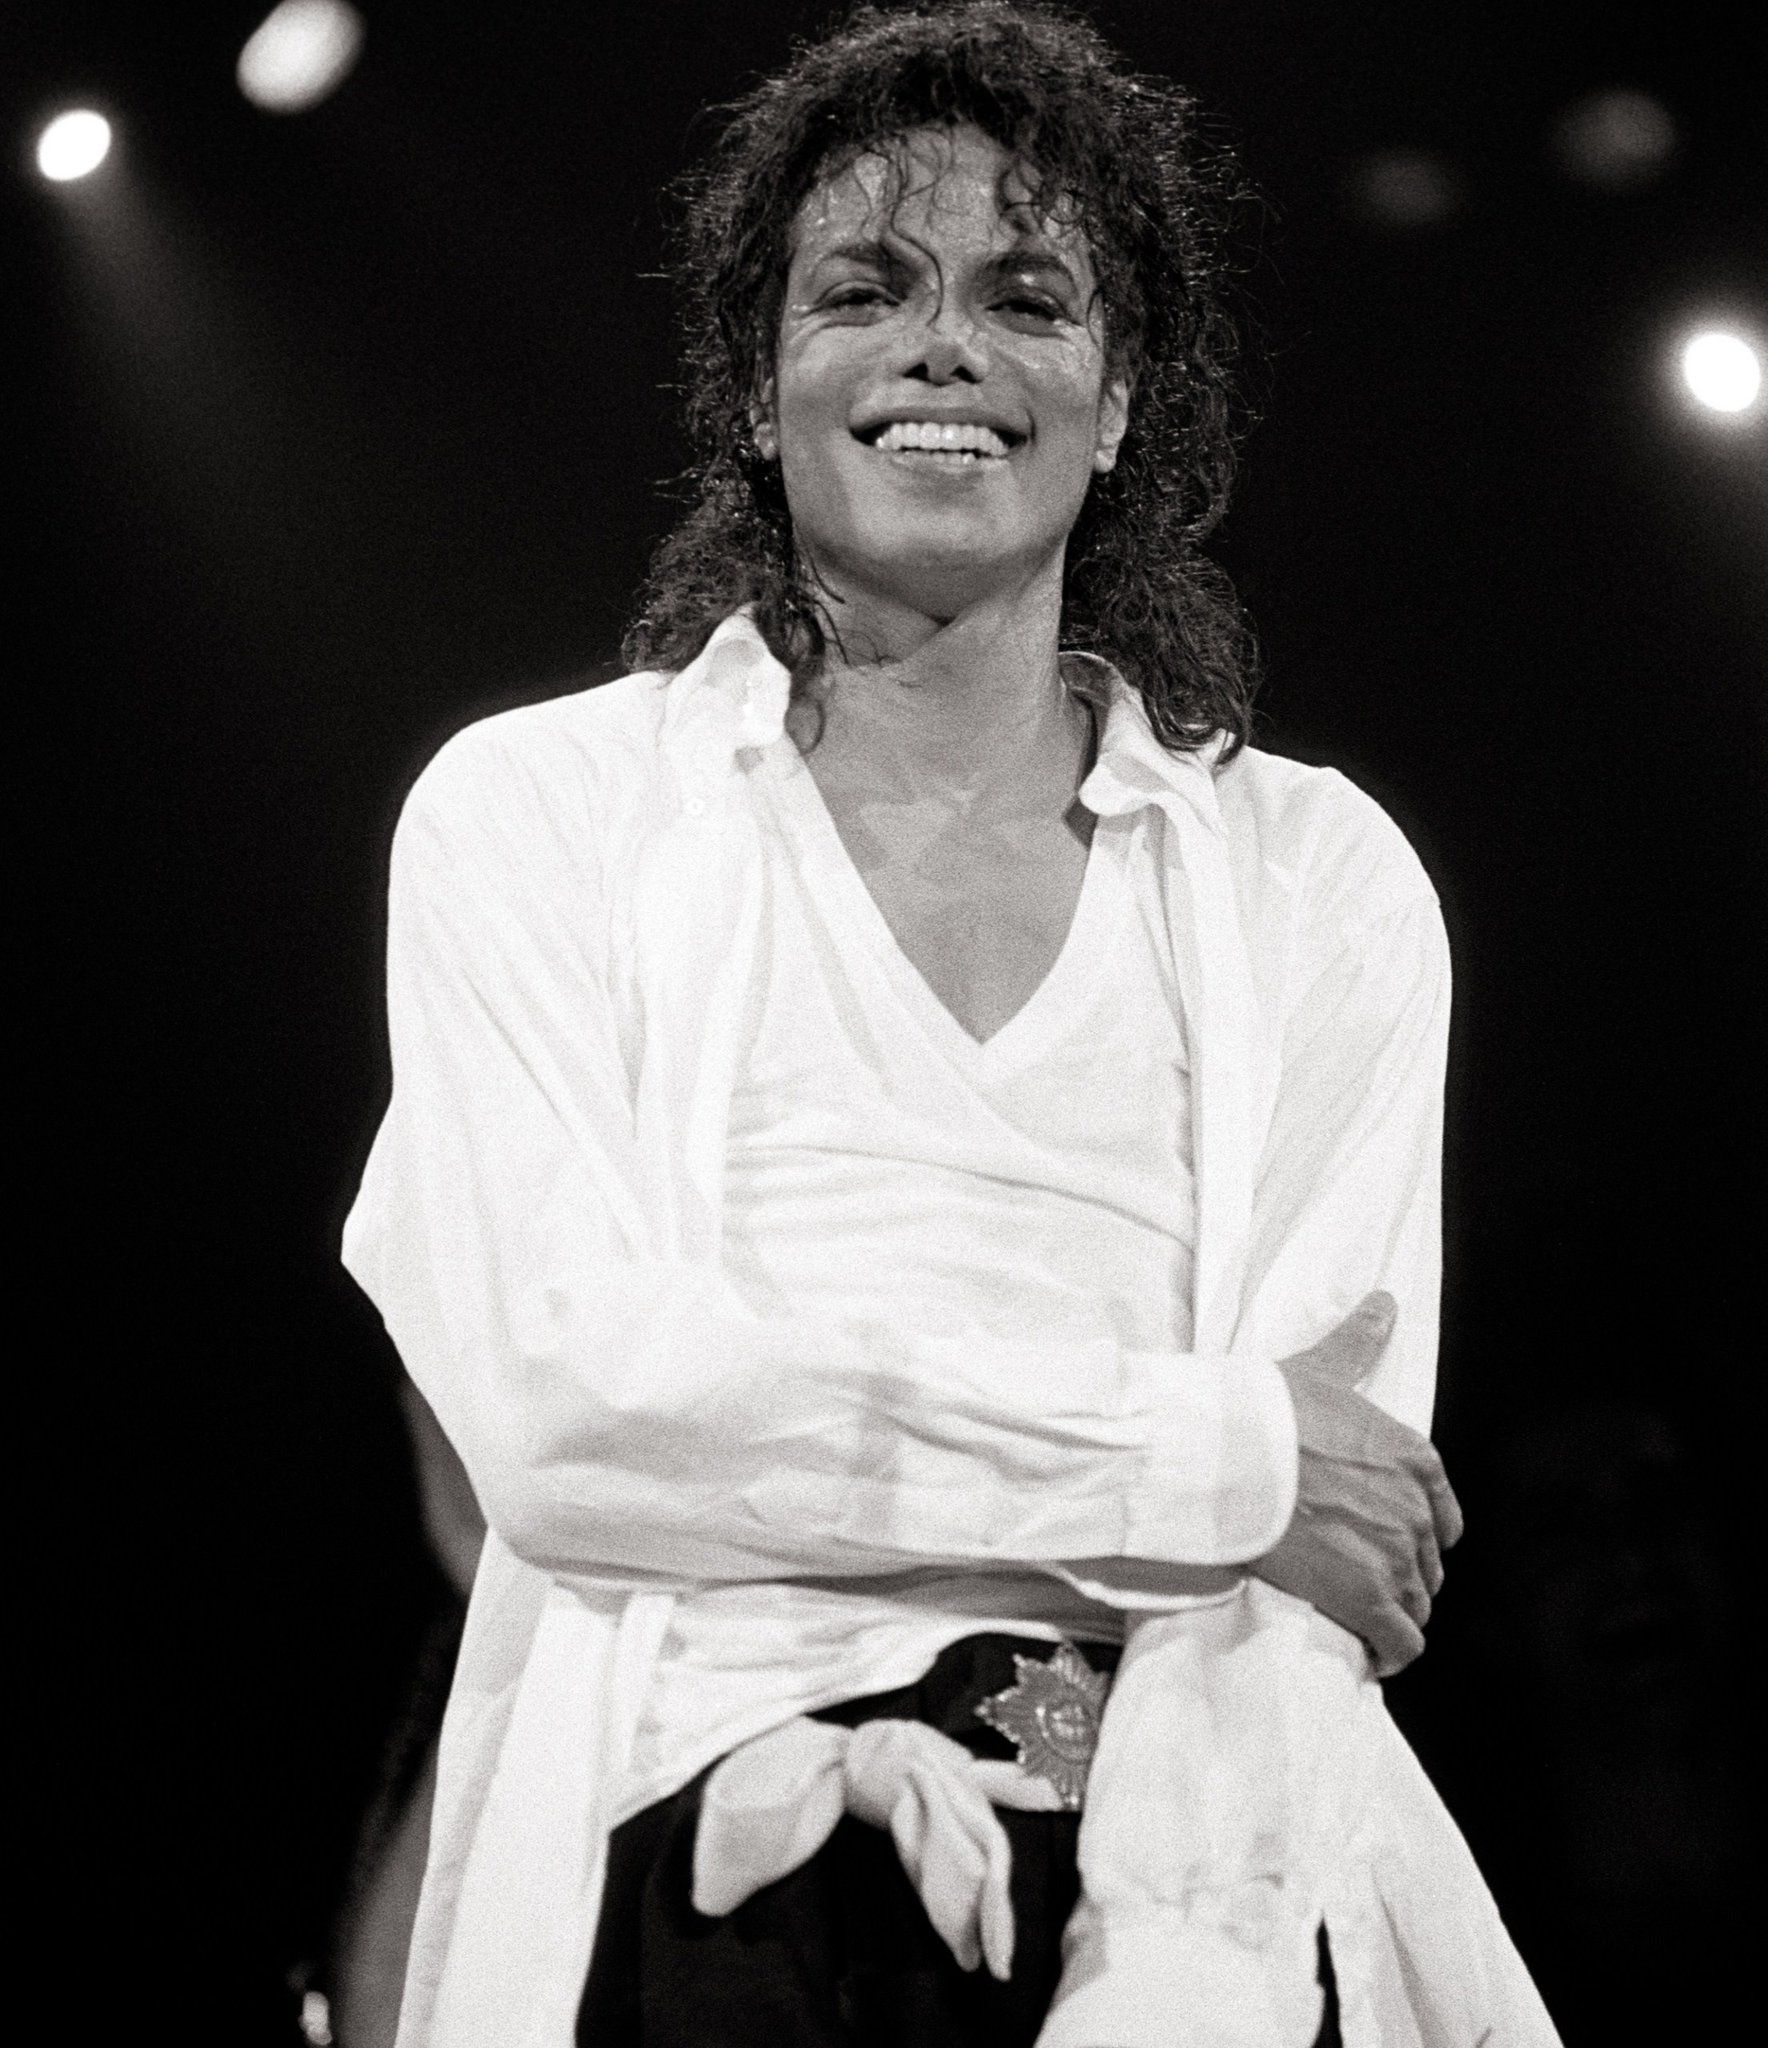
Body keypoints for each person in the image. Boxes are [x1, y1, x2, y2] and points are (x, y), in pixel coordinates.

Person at [341, 5, 1561, 2044]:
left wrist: (1164, 1976)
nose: (942, 347)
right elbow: (572, 1417)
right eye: (861, 287)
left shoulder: (1310, 882)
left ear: (1117, 396)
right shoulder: (534, 815)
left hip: (1190, 1885)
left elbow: (1319, 1549)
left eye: (1026, 294)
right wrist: (1204, 1451)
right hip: (692, 1884)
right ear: (757, 383)